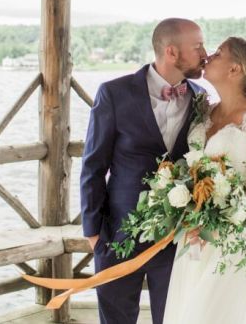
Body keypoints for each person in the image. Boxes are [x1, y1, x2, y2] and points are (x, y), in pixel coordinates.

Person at [80, 18, 207, 324]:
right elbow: (93, 165)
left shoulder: (202, 98)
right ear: (172, 52)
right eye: (198, 46)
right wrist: (93, 233)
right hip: (117, 233)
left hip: (175, 237)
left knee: (174, 318)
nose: (206, 53)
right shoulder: (114, 92)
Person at [163, 37, 246, 324]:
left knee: (221, 311)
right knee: (190, 308)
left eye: (219, 53)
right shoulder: (203, 111)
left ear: (235, 69)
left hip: (240, 231)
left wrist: (220, 220)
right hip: (195, 230)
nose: (209, 56)